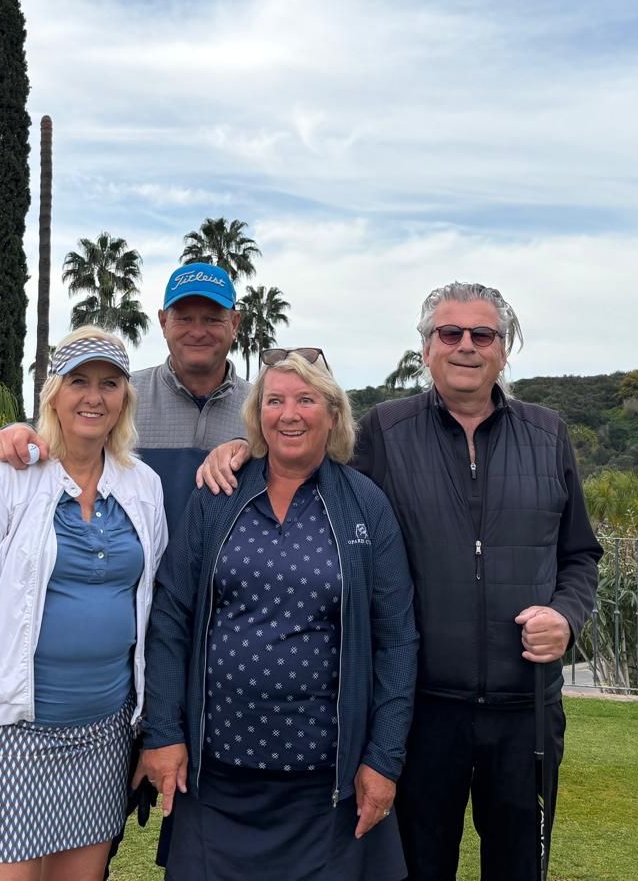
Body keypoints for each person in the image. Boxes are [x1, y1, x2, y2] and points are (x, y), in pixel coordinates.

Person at [199, 283, 602, 881]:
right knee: (418, 868)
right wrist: (245, 447)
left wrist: (566, 616)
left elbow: (580, 555)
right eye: (450, 333)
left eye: (482, 334)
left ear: (503, 349)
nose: (466, 346)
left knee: (520, 868)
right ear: (426, 348)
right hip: (422, 710)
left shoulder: (548, 435)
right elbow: (308, 463)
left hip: (527, 709)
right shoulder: (387, 429)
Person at [139, 348, 418, 881]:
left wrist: (383, 759)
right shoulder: (218, 494)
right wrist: (163, 732)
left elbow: (397, 639)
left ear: (333, 414)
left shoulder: (365, 505)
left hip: (325, 787)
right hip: (215, 777)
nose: (289, 414)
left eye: (306, 400)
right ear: (258, 414)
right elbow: (172, 615)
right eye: (275, 401)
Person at [0, 327, 168, 879]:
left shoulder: (144, 486)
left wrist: (149, 728)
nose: (94, 397)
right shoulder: (3, 482)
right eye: (79, 381)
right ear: (53, 394)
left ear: (124, 399)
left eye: (109, 384)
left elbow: (154, 612)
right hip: (12, 737)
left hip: (104, 736)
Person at [0, 262, 251, 529]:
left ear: (235, 323)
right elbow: (61, 437)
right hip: (134, 555)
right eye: (184, 318)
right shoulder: (119, 396)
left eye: (212, 319)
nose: (198, 331)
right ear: (163, 322)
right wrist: (17, 431)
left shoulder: (263, 409)